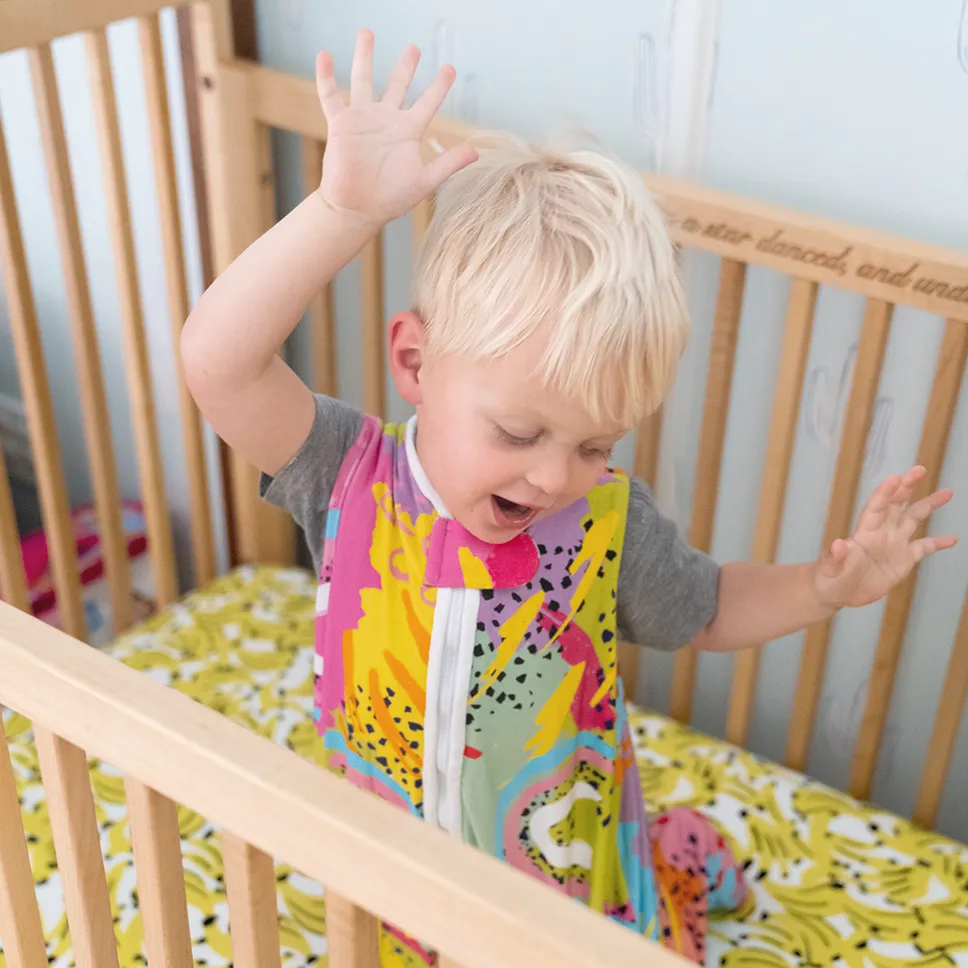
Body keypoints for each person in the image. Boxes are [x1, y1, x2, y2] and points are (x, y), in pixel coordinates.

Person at [181, 30, 957, 966]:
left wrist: (825, 588)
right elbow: (220, 365)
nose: (553, 476)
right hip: (389, 866)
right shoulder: (349, 474)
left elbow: (708, 609)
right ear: (416, 363)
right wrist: (342, 211)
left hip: (567, 880)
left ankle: (676, 854)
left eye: (596, 444)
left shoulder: (606, 524)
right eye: (518, 434)